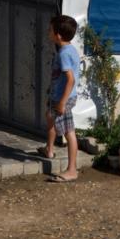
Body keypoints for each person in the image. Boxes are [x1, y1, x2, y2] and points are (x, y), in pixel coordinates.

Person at [42, 15, 81, 182]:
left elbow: (70, 79)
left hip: (63, 98)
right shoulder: (69, 49)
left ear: (58, 35)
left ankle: (72, 169)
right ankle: (48, 149)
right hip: (57, 95)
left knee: (68, 132)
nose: (48, 32)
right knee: (49, 116)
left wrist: (62, 102)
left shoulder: (64, 54)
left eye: (50, 30)